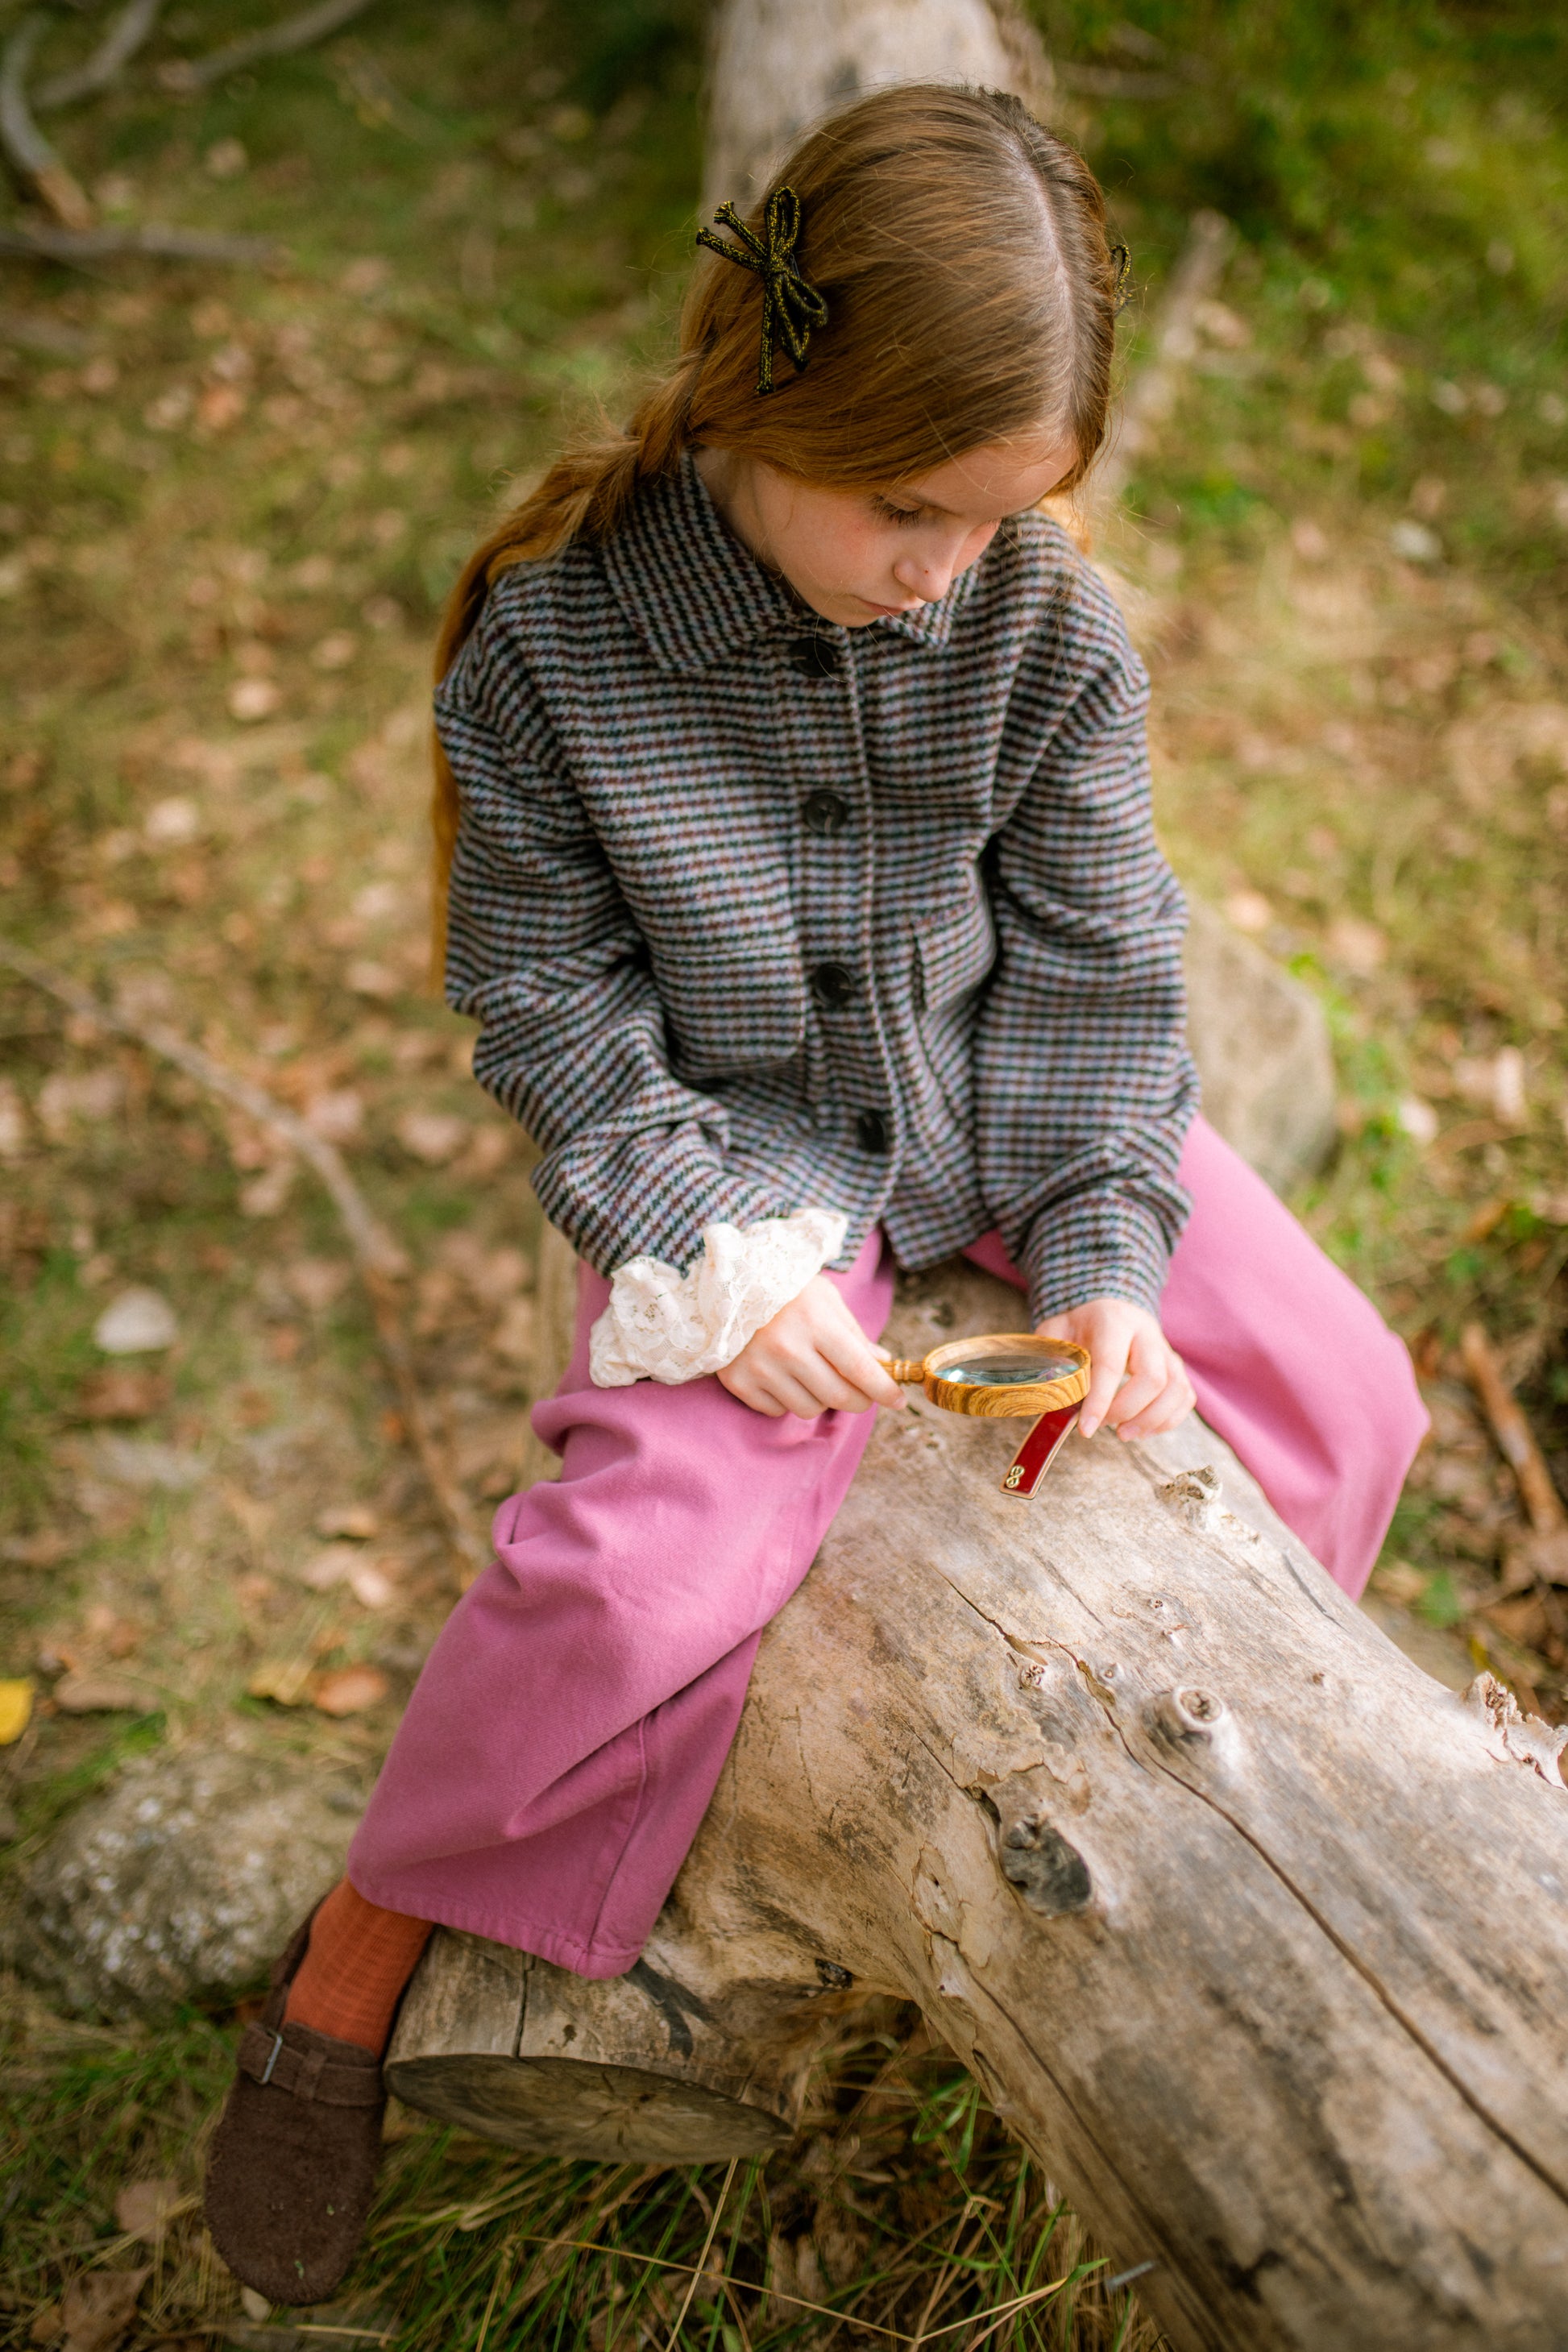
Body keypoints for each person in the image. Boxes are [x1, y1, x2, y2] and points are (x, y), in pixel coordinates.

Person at [204, 83, 1427, 2302]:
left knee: (1345, 1398)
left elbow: (1090, 960)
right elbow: (545, 1007)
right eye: (901, 507)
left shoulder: (1036, 624)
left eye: (997, 516)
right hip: (739, 1154)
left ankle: (1180, 1813)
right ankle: (370, 1933)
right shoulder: (555, 657)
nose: (943, 567)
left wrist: (1103, 1254)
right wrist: (698, 1241)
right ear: (770, 399)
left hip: (1006, 1104)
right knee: (644, 1580)